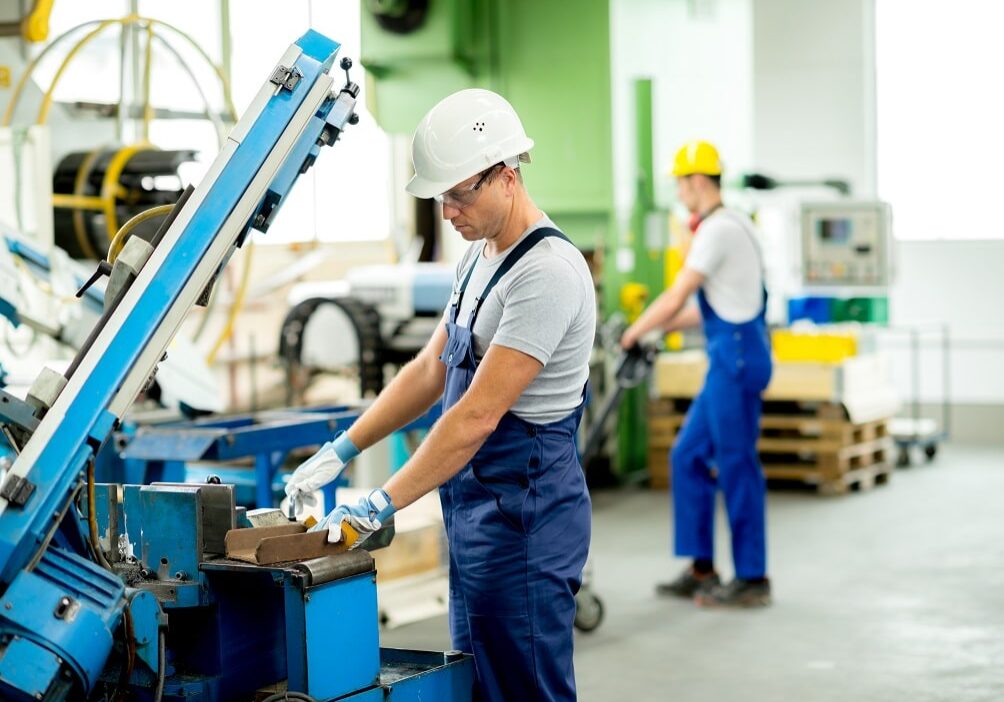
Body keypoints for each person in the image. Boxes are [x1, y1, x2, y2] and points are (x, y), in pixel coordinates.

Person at [285, 88, 595, 701]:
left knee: (526, 688)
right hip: (476, 514)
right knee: (479, 683)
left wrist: (381, 502)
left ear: (506, 175)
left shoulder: (547, 273)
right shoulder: (479, 257)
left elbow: (476, 416)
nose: (448, 211)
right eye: (441, 196)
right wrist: (343, 448)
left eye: (458, 194)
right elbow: (431, 369)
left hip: (524, 523)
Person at [621, 140, 773, 608]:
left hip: (738, 358)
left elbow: (678, 295)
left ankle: (752, 578)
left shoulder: (719, 230)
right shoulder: (731, 226)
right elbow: (705, 310)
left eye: (681, 183)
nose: (679, 192)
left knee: (736, 463)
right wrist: (657, 329)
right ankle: (703, 568)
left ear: (698, 181)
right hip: (731, 355)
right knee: (687, 455)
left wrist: (635, 331)